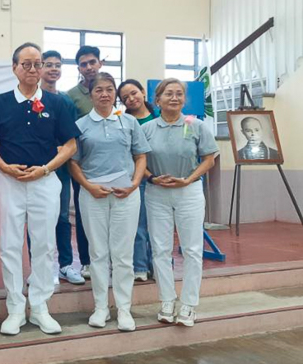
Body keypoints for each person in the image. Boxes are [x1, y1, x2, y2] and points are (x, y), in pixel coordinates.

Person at [0, 42, 79, 336]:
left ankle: (39, 306)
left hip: (44, 180)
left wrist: (47, 168)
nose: (33, 69)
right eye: (26, 64)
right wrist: (3, 166)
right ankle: (15, 307)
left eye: (37, 64)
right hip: (9, 181)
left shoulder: (58, 103)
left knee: (43, 243)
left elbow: (71, 144)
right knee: (10, 245)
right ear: (14, 68)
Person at [68, 73, 151, 332]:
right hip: (93, 195)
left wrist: (135, 183)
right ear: (91, 95)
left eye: (109, 89)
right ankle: (101, 307)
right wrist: (89, 186)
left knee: (123, 253)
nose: (104, 94)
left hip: (126, 194)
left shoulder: (128, 122)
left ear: (115, 93)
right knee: (98, 253)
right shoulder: (80, 125)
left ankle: (124, 309)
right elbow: (73, 162)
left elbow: (140, 156)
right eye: (99, 90)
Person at [142, 78, 219, 327]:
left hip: (189, 192)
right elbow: (138, 162)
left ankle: (188, 304)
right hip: (157, 193)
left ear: (184, 99)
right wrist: (152, 178)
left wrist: (188, 179)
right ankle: (166, 300)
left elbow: (209, 159)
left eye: (178, 94)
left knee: (193, 250)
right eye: (168, 94)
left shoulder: (196, 125)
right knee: (160, 249)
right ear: (158, 99)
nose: (174, 98)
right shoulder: (147, 129)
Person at [35, 50, 84, 285]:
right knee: (36, 220)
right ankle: (37, 270)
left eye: (57, 65)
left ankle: (65, 265)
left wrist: (60, 152)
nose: (53, 69)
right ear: (39, 68)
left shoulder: (65, 101)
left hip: (61, 170)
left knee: (62, 218)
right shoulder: (32, 97)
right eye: (48, 64)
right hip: (35, 170)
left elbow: (70, 136)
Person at [65, 46, 103, 280]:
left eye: (92, 62)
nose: (88, 67)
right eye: (83, 64)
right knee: (83, 213)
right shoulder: (71, 95)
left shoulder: (110, 89)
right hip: (83, 164)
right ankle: (87, 261)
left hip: (110, 164)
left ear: (100, 63)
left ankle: (106, 258)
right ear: (78, 68)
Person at [117, 79, 159, 282]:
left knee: (160, 225)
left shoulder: (161, 117)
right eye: (125, 98)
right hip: (140, 179)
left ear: (143, 92)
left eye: (134, 93)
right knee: (139, 225)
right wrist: (147, 175)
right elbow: (133, 156)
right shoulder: (124, 123)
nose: (131, 99)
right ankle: (140, 266)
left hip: (164, 180)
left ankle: (159, 266)